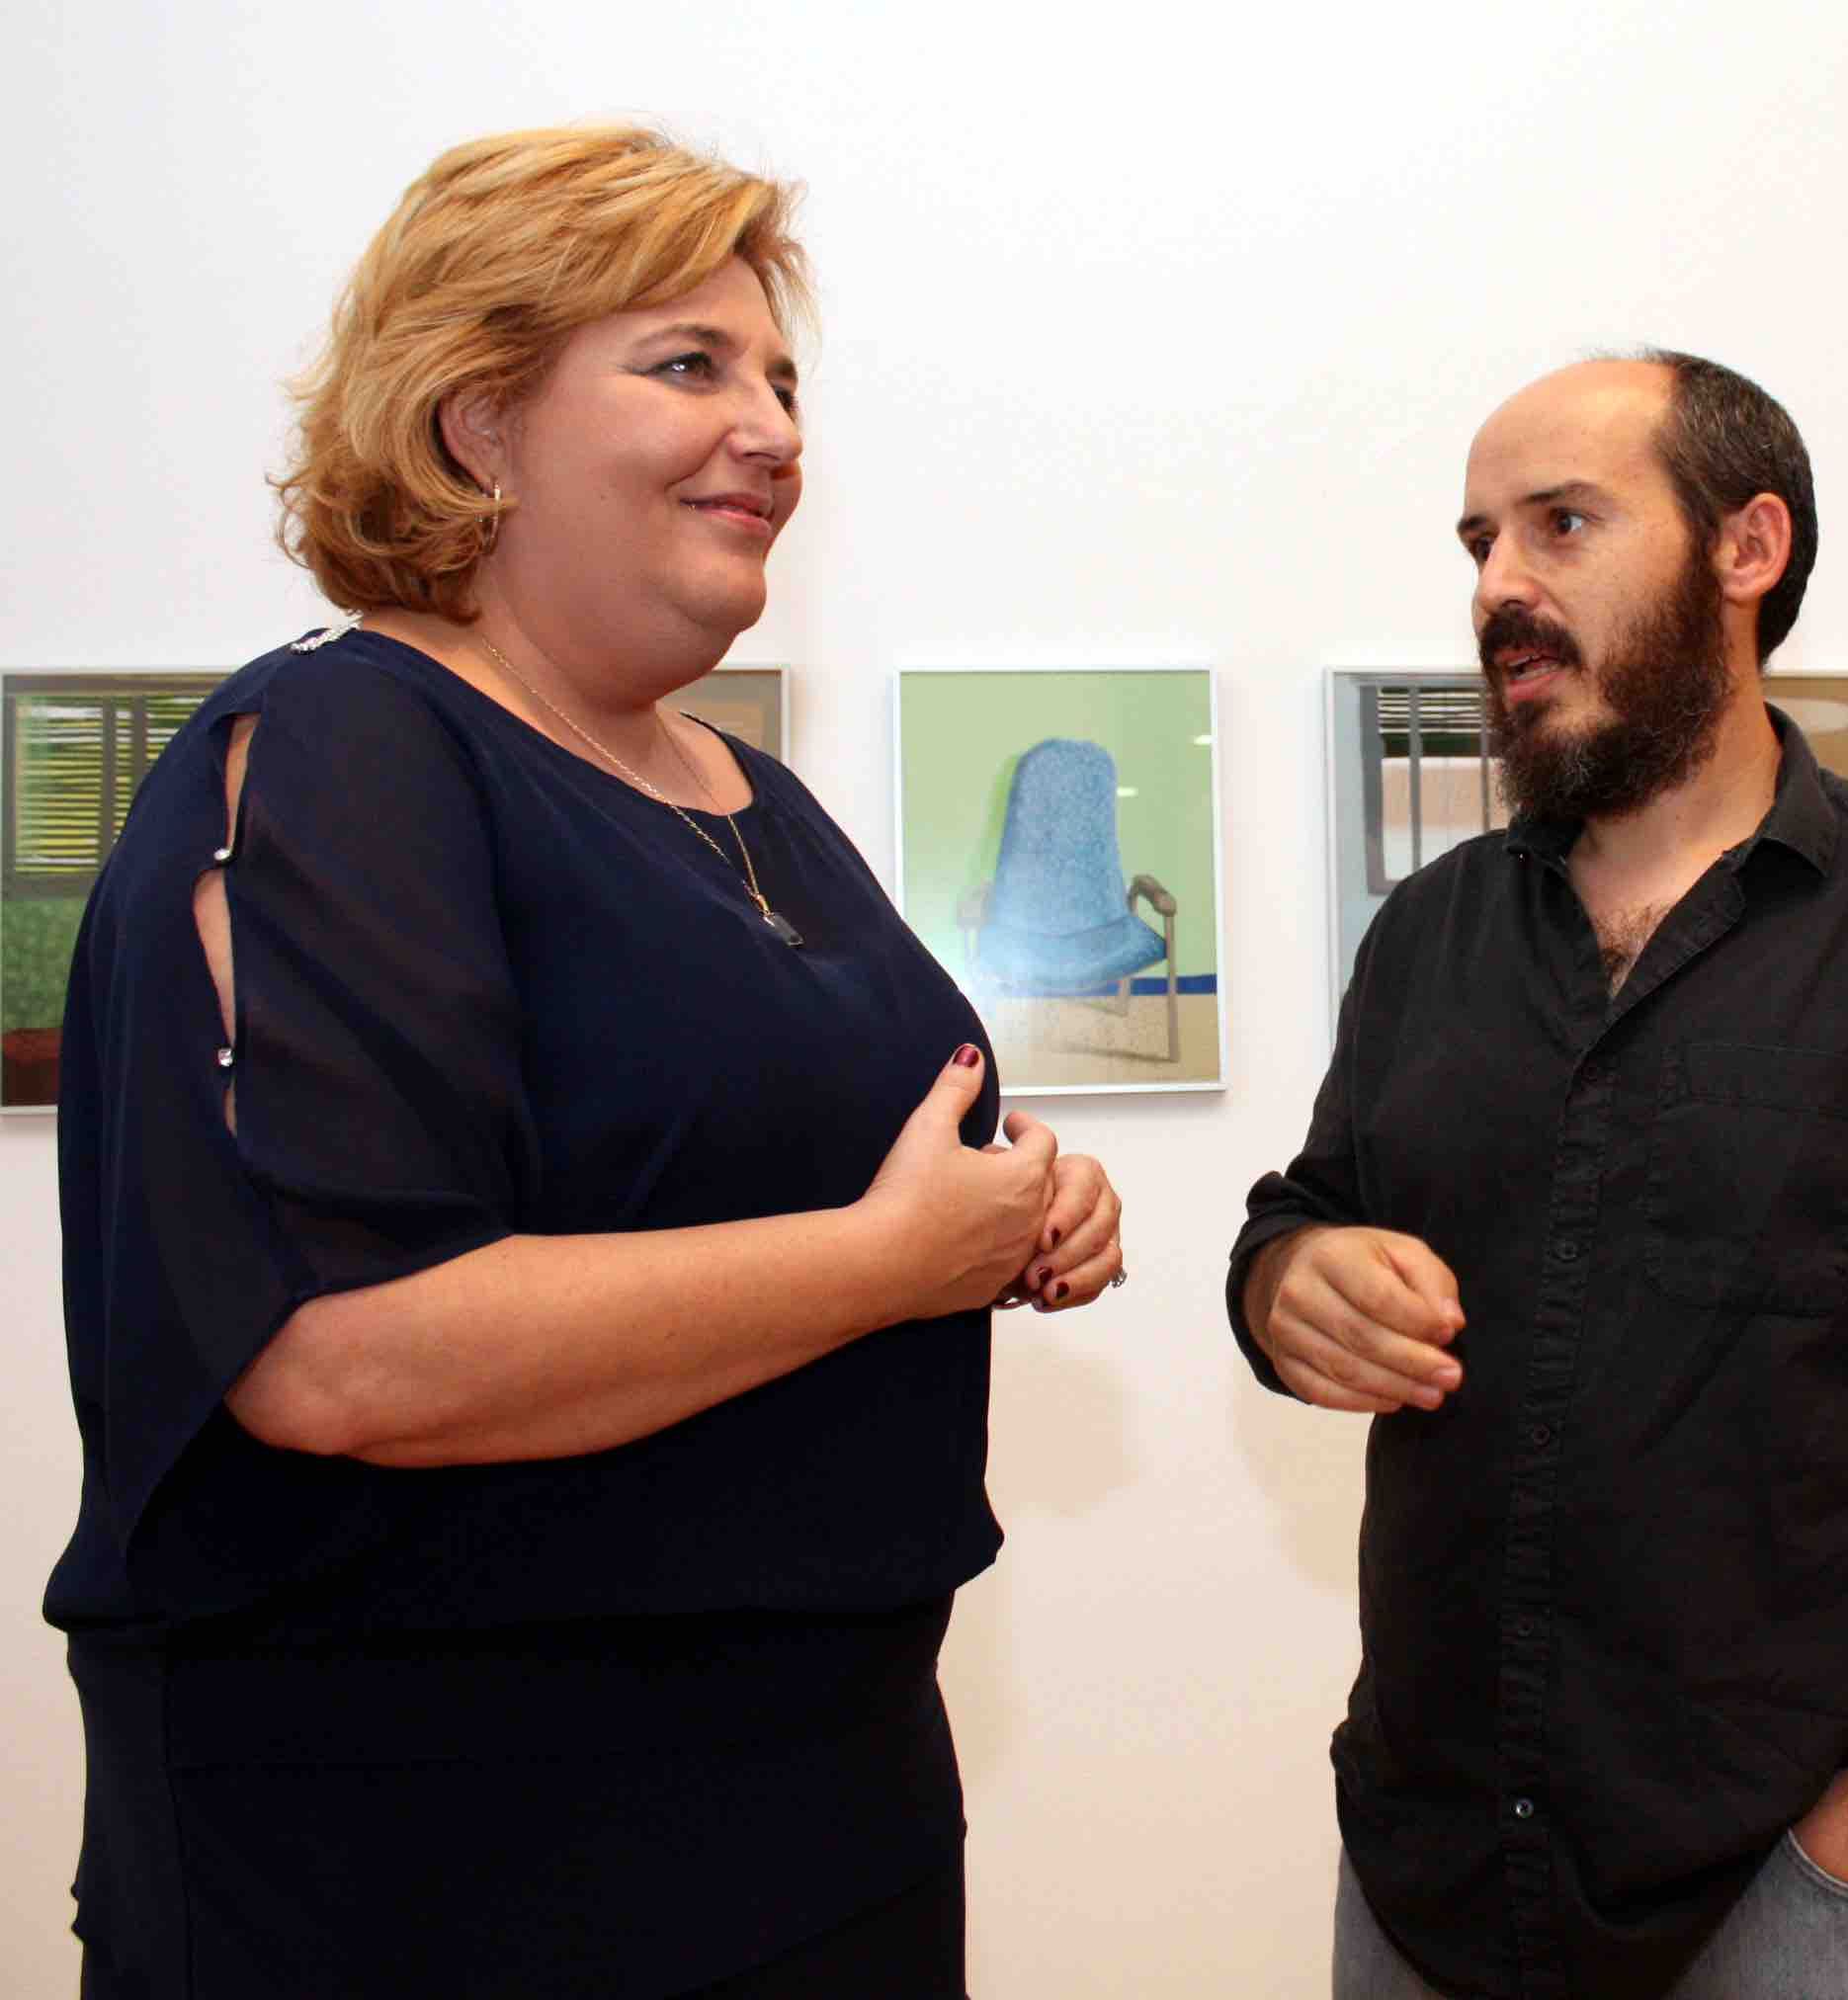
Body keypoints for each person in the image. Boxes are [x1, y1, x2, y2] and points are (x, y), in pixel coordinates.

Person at [42, 125, 1124, 1998]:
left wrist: (1016, 1204)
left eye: (782, 377)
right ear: (477, 425)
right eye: (688, 366)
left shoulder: (752, 799)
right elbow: (334, 1351)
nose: (775, 430)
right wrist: (888, 1260)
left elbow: (805, 1162)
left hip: (822, 1808)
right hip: (436, 1861)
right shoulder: (337, 751)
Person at [1228, 353, 1848, 1999]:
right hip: (1431, 1883)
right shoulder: (1432, 931)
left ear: (1745, 547)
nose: (1498, 589)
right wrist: (1287, 1280)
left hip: (1811, 1904)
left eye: (1561, 524)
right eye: (1478, 541)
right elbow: (1306, 1213)